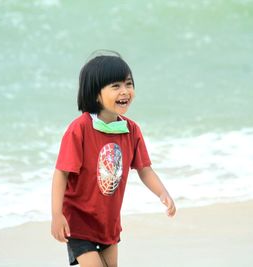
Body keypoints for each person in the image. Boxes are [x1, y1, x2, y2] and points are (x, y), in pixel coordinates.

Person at [51, 51, 176, 267]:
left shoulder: (131, 130)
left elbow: (144, 169)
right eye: (115, 86)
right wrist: (56, 215)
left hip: (108, 223)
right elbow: (61, 172)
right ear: (95, 93)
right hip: (79, 222)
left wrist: (162, 192)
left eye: (128, 84)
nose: (125, 91)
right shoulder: (80, 129)